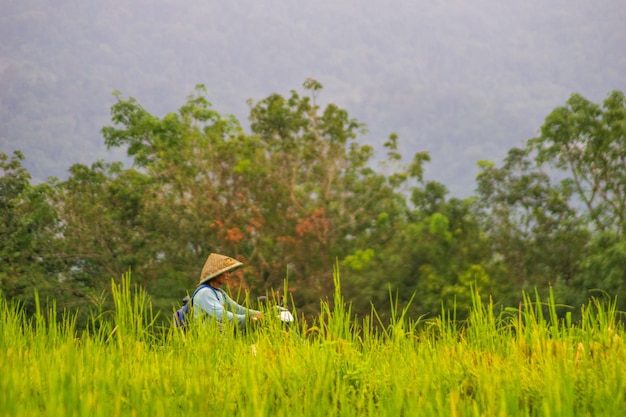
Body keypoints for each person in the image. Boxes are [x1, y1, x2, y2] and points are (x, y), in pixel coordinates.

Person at [193, 253, 262, 329]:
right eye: (226, 272)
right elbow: (221, 314)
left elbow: (237, 309)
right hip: (208, 337)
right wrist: (248, 319)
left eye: (229, 272)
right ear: (216, 274)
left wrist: (262, 315)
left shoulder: (220, 293)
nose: (228, 275)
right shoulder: (205, 293)